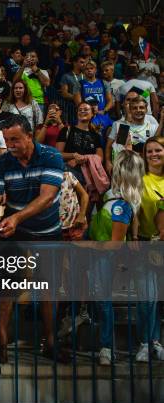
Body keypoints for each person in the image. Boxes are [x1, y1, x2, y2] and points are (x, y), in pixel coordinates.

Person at [0, 115, 67, 363]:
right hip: (14, 232)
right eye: (7, 140)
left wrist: (16, 218)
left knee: (49, 290)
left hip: (48, 232)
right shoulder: (4, 162)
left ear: (30, 135)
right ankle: (2, 345)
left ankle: (50, 343)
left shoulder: (51, 156)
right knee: (5, 289)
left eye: (15, 139)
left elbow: (48, 197)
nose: (11, 144)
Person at [87, 150, 145, 365]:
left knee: (103, 300)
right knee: (99, 298)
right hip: (99, 249)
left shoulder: (124, 201)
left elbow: (116, 242)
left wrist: (85, 244)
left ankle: (107, 347)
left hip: (107, 253)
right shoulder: (116, 192)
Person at [134, 136, 164, 362]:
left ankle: (156, 341)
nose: (154, 155)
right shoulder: (140, 181)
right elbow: (134, 212)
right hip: (145, 244)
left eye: (159, 151)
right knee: (147, 298)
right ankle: (145, 342)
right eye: (150, 151)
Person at [106, 98, 159, 174]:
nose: (138, 110)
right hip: (129, 171)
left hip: (148, 170)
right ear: (130, 111)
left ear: (146, 110)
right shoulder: (123, 128)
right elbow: (122, 153)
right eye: (134, 108)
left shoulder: (154, 127)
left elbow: (155, 151)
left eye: (141, 107)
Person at [56, 101, 103, 184]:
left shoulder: (95, 135)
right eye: (80, 110)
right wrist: (73, 155)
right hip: (70, 174)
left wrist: (82, 159)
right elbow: (58, 154)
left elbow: (100, 158)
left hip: (90, 175)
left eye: (86, 109)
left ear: (92, 114)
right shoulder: (66, 130)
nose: (82, 111)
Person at [59, 54, 87, 124]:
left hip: (86, 108)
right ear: (74, 63)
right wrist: (77, 98)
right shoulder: (66, 76)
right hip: (71, 109)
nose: (84, 64)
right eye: (81, 62)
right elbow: (64, 93)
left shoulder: (86, 77)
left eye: (84, 62)